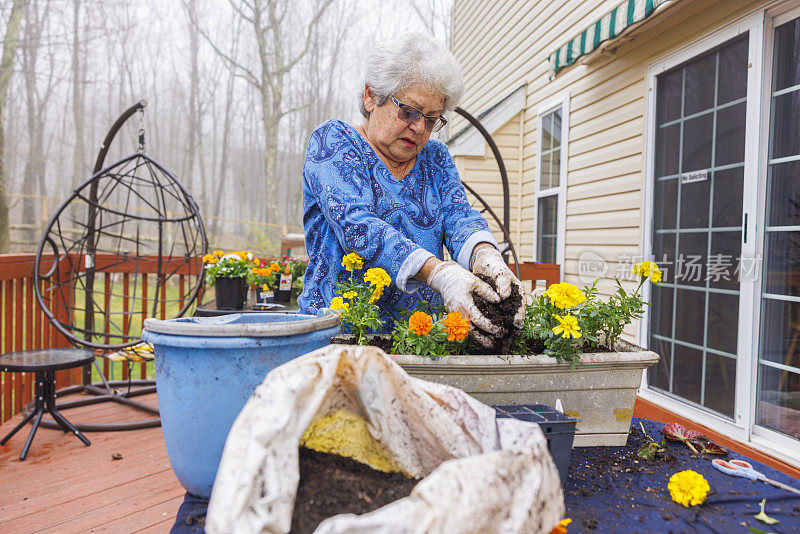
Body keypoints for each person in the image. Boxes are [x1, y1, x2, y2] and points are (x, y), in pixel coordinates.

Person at [297, 32, 525, 347]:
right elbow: (356, 224)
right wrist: (440, 274)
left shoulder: (435, 158)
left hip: (418, 343)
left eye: (432, 120)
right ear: (370, 96)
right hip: (341, 338)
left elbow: (458, 215)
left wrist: (486, 255)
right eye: (409, 112)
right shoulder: (333, 142)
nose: (419, 128)